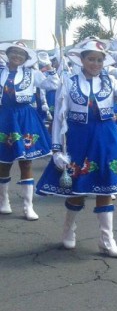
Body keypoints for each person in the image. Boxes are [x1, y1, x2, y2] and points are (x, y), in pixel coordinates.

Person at [36, 38, 117, 256]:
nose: (95, 63)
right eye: (91, 59)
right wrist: (56, 150)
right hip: (78, 138)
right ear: (81, 60)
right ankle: (69, 230)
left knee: (107, 186)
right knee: (77, 186)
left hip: (106, 138)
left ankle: (107, 240)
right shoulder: (69, 81)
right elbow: (59, 118)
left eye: (99, 60)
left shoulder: (110, 80)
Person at [0, 41, 59, 220]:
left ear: (26, 58)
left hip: (25, 117)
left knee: (26, 161)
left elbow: (52, 84)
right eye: (14, 52)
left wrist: (48, 65)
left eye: (22, 54)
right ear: (8, 54)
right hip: (3, 117)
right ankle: (4, 201)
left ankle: (28, 206)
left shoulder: (32, 73)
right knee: (4, 161)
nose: (17, 56)